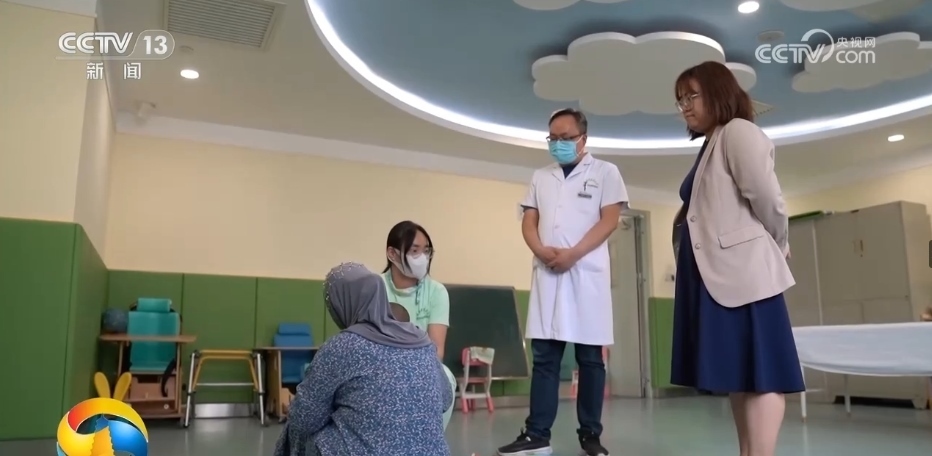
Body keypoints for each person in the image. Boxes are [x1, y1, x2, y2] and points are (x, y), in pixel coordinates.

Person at [670, 61, 804, 456]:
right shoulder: (712, 142)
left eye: (691, 96)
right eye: (680, 100)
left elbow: (768, 198)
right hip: (717, 275)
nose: (685, 107)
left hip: (744, 274)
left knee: (764, 373)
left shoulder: (738, 132)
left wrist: (778, 243)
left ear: (718, 92)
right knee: (741, 373)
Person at [498, 108, 627, 456]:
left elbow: (609, 220)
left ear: (583, 139)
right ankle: (536, 435)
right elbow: (529, 220)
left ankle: (591, 435)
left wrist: (573, 254)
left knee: (590, 360)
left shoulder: (605, 172)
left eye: (566, 138)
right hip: (549, 274)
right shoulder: (541, 176)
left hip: (586, 275)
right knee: (545, 359)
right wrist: (540, 250)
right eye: (552, 138)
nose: (558, 144)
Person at [273, 262, 452, 456]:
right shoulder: (421, 341)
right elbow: (445, 398)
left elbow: (304, 418)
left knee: (304, 434)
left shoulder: (342, 347)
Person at [382, 220, 450, 358]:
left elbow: (436, 352)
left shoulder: (436, 292)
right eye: (414, 251)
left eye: (426, 251)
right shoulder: (374, 288)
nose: (423, 258)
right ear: (392, 253)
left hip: (422, 367)